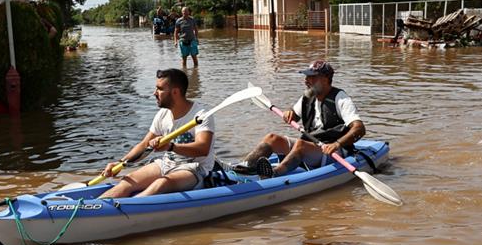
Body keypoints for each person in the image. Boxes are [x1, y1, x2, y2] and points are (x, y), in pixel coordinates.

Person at [232, 59, 364, 178]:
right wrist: (289, 112)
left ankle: (274, 173)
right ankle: (245, 166)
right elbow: (294, 114)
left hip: (332, 150)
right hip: (312, 145)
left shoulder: (340, 98)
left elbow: (359, 128)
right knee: (271, 138)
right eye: (306, 76)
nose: (306, 80)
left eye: (312, 77)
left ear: (325, 78)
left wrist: (337, 144)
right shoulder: (308, 96)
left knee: (300, 145)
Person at [99, 68, 215, 198]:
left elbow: (203, 148)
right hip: (166, 164)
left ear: (175, 92)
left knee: (161, 183)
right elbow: (144, 145)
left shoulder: (201, 115)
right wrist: (121, 163)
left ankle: (129, 211)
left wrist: (171, 147)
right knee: (127, 181)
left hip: (194, 169)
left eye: (159, 89)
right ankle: (91, 209)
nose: (155, 93)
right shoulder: (162, 114)